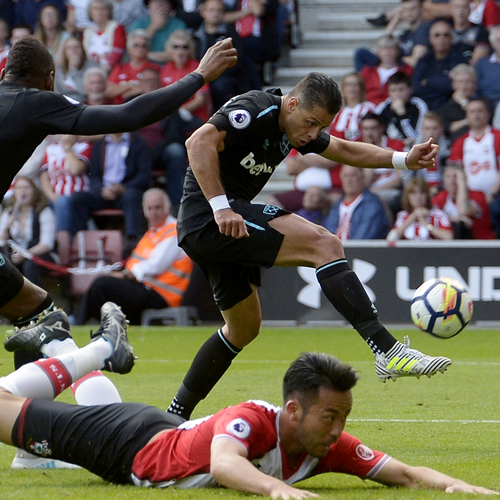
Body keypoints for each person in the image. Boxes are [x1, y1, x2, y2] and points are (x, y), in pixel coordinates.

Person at [165, 71, 452, 422]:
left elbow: (344, 149)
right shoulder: (256, 109)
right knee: (324, 243)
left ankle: (174, 417)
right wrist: (221, 205)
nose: (313, 134)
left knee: (243, 329)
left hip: (216, 228)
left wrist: (403, 159)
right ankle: (387, 350)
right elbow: (198, 142)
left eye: (321, 127)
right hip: (211, 217)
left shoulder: (296, 127)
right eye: (312, 123)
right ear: (293, 102)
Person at [0, 34, 235, 371]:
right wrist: (197, 76)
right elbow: (127, 115)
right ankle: (90, 365)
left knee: (34, 313)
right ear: (48, 78)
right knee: (40, 317)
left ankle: (22, 408)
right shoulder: (34, 101)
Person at [0, 339, 497, 496]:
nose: (339, 430)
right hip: (125, 445)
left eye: (343, 418)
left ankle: (63, 346)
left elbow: (405, 474)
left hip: (161, 430)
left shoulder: (323, 445)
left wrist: (458, 486)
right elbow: (224, 464)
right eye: (330, 417)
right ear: (295, 409)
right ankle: (91, 347)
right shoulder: (254, 418)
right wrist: (277, 489)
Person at [76, 188, 193, 325]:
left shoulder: (173, 231)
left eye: (157, 208)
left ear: (167, 208)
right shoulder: (153, 232)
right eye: (149, 208)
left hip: (161, 294)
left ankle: (77, 321)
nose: (153, 213)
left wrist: (124, 275)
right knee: (103, 287)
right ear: (144, 211)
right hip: (145, 288)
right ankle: (86, 322)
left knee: (102, 284)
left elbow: (155, 266)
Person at [66, 131, 151, 246]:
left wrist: (123, 188)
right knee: (77, 199)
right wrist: (101, 189)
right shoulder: (100, 144)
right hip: (103, 192)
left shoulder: (138, 143)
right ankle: (80, 241)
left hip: (125, 191)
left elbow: (144, 175)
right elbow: (94, 176)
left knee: (132, 196)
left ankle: (132, 239)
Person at [0, 176, 57, 287]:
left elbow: (46, 244)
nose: (22, 191)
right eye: (19, 188)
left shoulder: (44, 212)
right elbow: (1, 241)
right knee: (5, 263)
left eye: (27, 188)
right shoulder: (9, 212)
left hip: (40, 255)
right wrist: (7, 227)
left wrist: (25, 254)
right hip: (15, 256)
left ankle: (34, 299)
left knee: (30, 265)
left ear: (35, 191)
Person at [39, 134, 92, 232]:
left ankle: (65, 240)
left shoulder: (84, 146)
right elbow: (44, 177)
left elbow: (75, 169)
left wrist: (67, 148)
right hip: (55, 196)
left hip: (77, 196)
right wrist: (52, 196)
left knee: (63, 202)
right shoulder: (50, 149)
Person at [412, 19, 467, 110]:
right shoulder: (423, 60)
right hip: (425, 108)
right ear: (430, 39)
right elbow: (416, 87)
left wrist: (428, 81)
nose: (441, 39)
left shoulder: (460, 60)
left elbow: (455, 86)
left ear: (451, 38)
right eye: (437, 35)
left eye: (446, 35)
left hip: (451, 108)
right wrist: (442, 84)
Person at [323, 164, 390, 240]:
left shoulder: (372, 204)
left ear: (362, 178)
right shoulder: (336, 206)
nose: (349, 180)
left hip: (357, 250)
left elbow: (364, 237)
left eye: (353, 175)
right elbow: (329, 233)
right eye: (345, 176)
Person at [160, 29, 212, 123]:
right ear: (169, 49)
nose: (180, 51)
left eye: (185, 47)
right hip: (170, 117)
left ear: (190, 49)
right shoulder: (165, 69)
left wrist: (179, 112)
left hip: (194, 117)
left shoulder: (198, 68)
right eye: (176, 47)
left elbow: (200, 100)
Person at [432, 165, 495, 239]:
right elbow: (431, 215)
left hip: (481, 244)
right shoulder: (442, 196)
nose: (452, 180)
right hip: (452, 245)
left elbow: (463, 210)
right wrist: (454, 219)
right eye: (448, 177)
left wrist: (462, 184)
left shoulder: (478, 195)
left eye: (456, 176)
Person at [387, 176, 454, 241]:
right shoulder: (402, 216)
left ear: (427, 195)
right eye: (413, 193)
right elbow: (390, 239)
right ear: (408, 197)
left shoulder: (438, 215)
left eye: (422, 193)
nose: (418, 197)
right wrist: (410, 219)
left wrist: (427, 225)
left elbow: (449, 237)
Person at [105, 29, 159, 104]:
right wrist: (130, 85)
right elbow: (108, 92)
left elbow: (150, 91)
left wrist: (122, 91)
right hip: (117, 108)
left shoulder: (154, 68)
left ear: (148, 49)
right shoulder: (119, 67)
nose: (140, 49)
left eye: (144, 46)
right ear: (129, 48)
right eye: (136, 45)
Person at [375, 71, 428, 148]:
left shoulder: (419, 105)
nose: (397, 94)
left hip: (409, 150)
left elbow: (415, 138)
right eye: (393, 90)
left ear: (410, 89)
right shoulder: (382, 107)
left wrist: (402, 114)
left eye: (401, 90)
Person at [359, 34, 413, 106]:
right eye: (384, 48)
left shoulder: (406, 70)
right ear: (378, 51)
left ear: (397, 51)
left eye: (391, 48)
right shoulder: (367, 71)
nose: (387, 52)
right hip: (369, 109)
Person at [129, 0, 186, 64]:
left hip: (170, 66)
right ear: (149, 6)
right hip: (143, 65)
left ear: (170, 7)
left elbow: (178, 53)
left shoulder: (179, 25)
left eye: (164, 3)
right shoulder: (138, 24)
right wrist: (154, 26)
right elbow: (133, 50)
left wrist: (145, 54)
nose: (160, 6)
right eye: (156, 2)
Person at [82, 0, 126, 73]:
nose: (99, 12)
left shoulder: (116, 28)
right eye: (95, 9)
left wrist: (102, 72)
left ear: (109, 11)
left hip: (111, 70)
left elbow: (117, 53)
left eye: (103, 9)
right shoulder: (87, 32)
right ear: (90, 13)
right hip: (91, 70)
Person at [437, 63, 477, 144]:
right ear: (453, 85)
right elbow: (448, 128)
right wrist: (470, 121)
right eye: (460, 81)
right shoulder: (445, 106)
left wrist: (464, 102)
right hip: (454, 144)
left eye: (468, 81)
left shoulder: (483, 103)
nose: (464, 85)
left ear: (474, 84)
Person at [54, 35, 98, 101]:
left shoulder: (92, 66)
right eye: (69, 48)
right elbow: (56, 92)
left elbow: (86, 91)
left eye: (77, 47)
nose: (73, 50)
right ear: (65, 52)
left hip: (84, 103)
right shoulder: (58, 69)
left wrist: (73, 69)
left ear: (82, 50)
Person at [476, 26, 500, 109]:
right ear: (493, 44)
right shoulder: (482, 63)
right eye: (499, 40)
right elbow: (475, 89)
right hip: (487, 107)